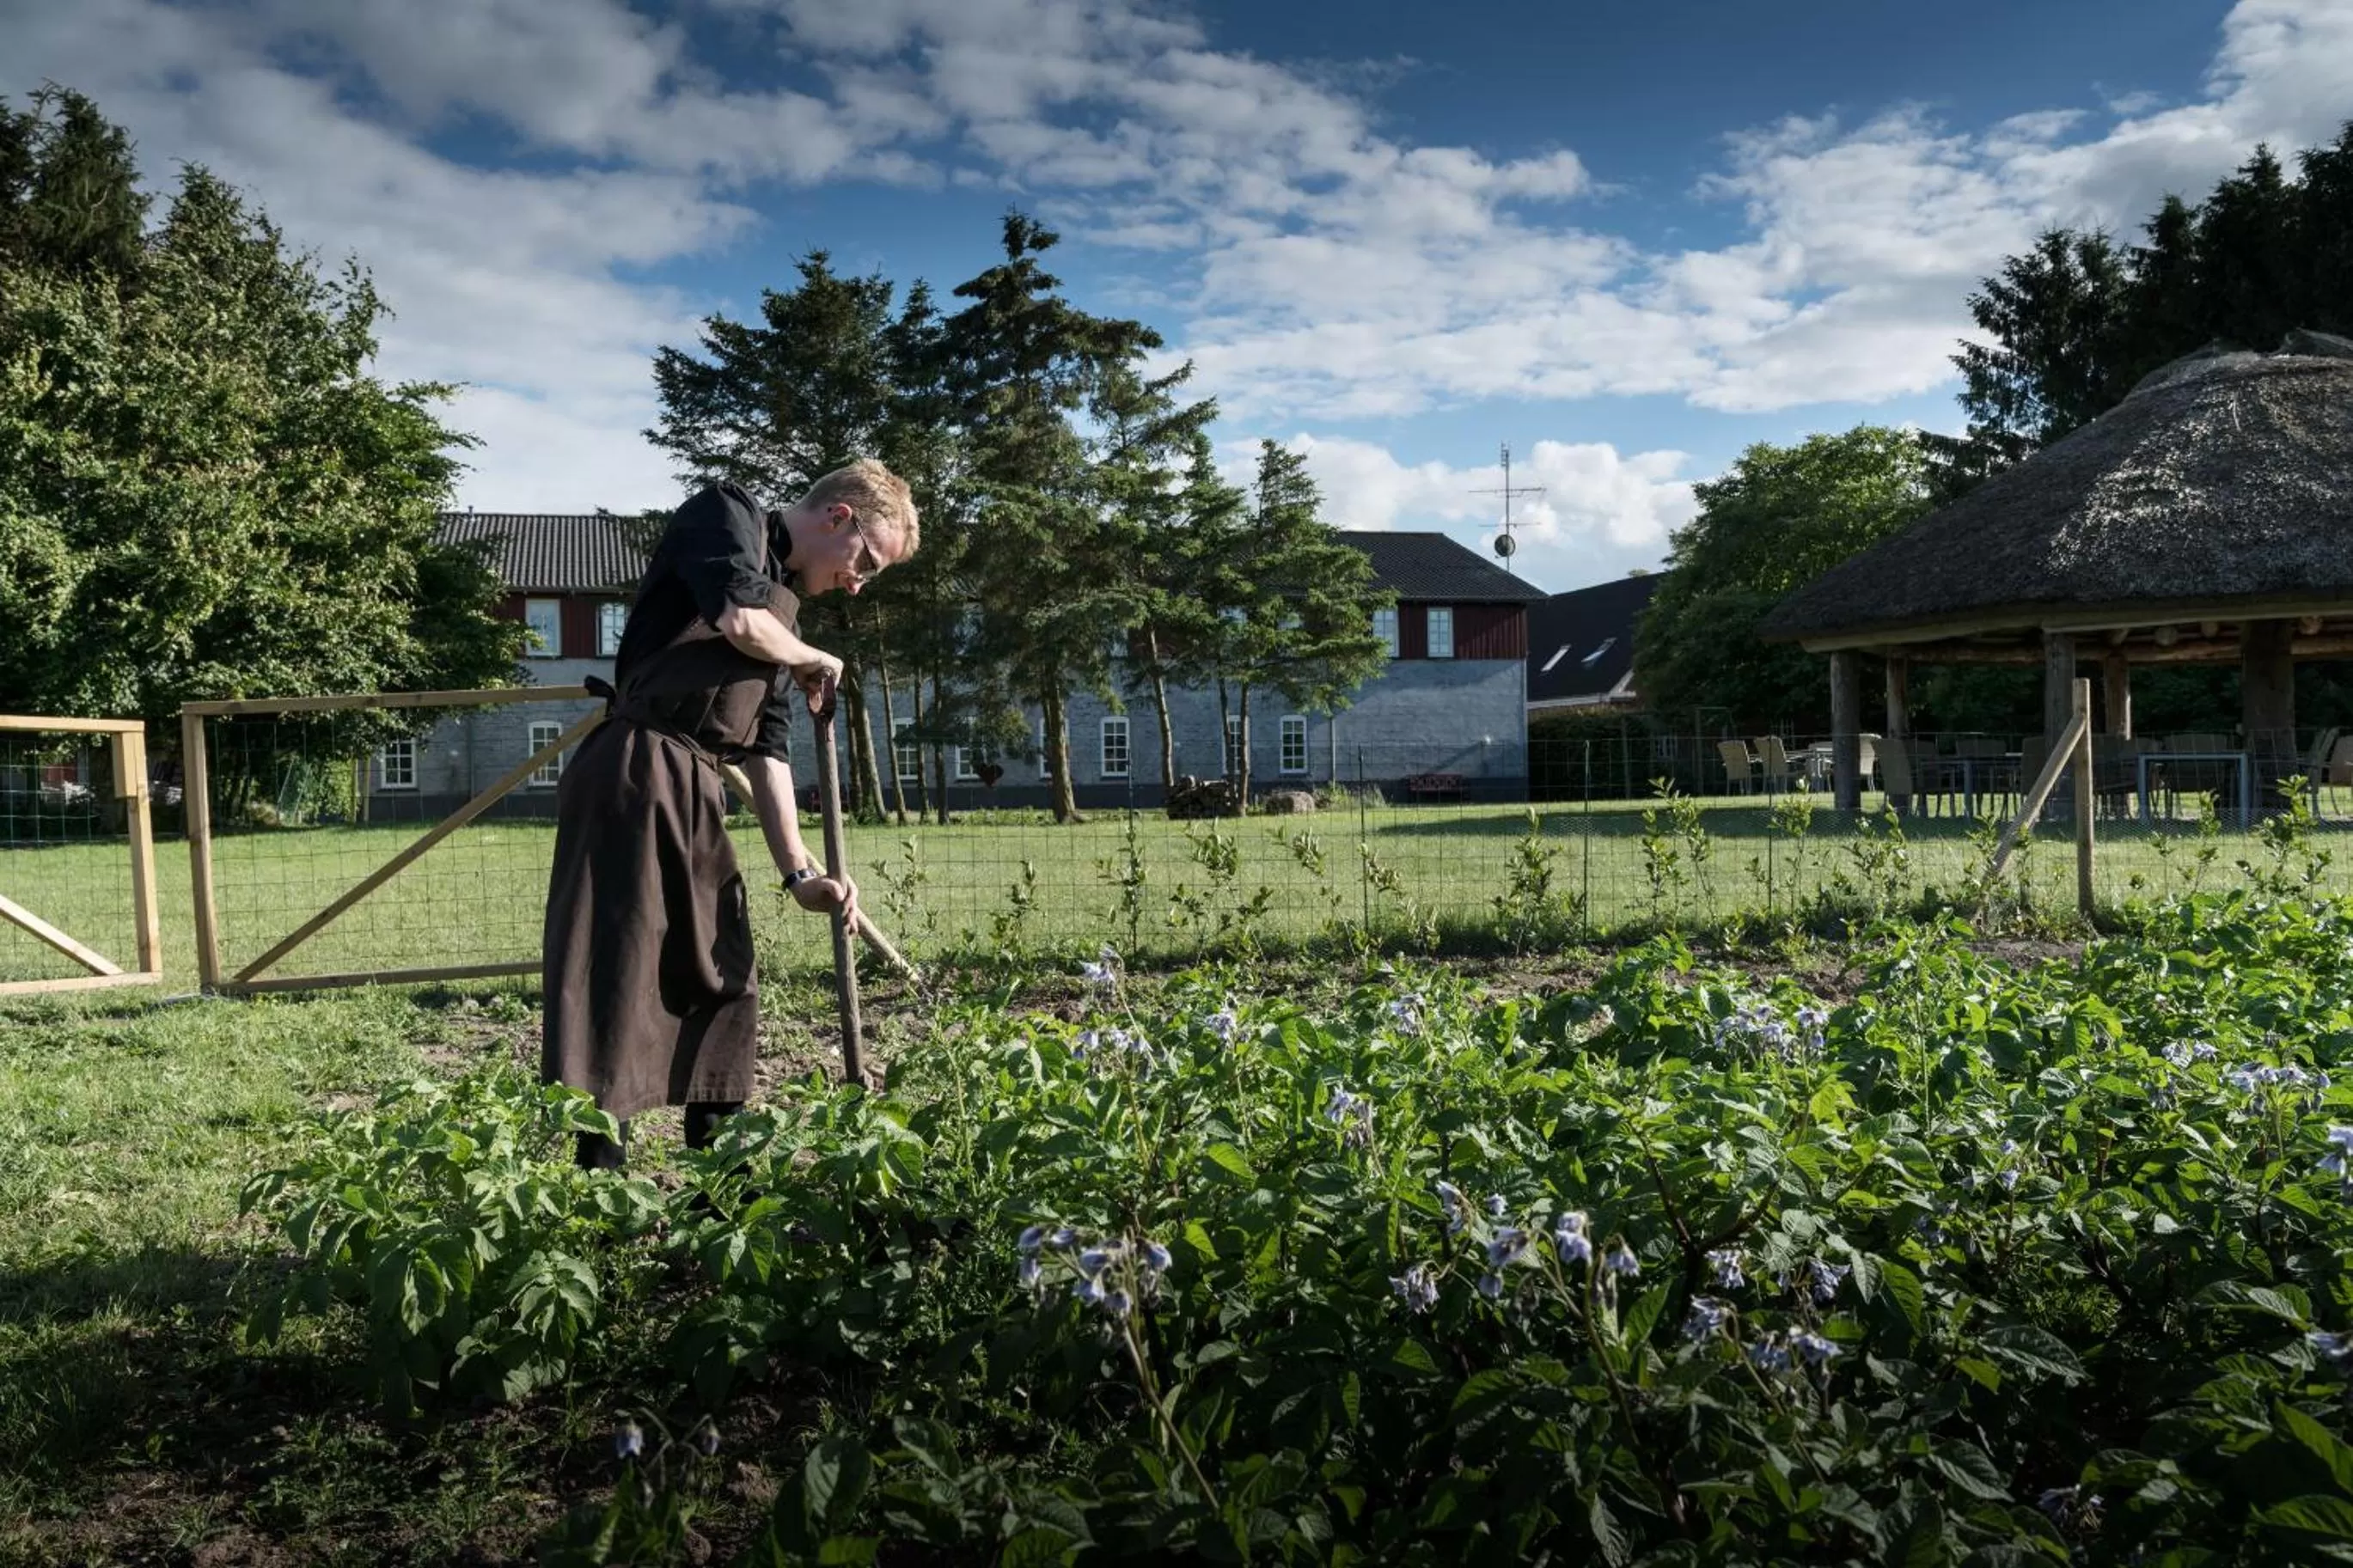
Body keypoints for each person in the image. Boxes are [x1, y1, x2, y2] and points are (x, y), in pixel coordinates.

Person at [542, 459, 920, 1168]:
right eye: (866, 560)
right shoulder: (726, 515)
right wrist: (808, 658)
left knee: (723, 974)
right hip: (633, 770)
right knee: (617, 972)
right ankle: (599, 1184)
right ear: (839, 518)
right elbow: (737, 618)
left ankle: (723, 1182)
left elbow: (767, 755)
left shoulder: (787, 624)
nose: (859, 582)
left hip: (696, 787)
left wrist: (800, 872)